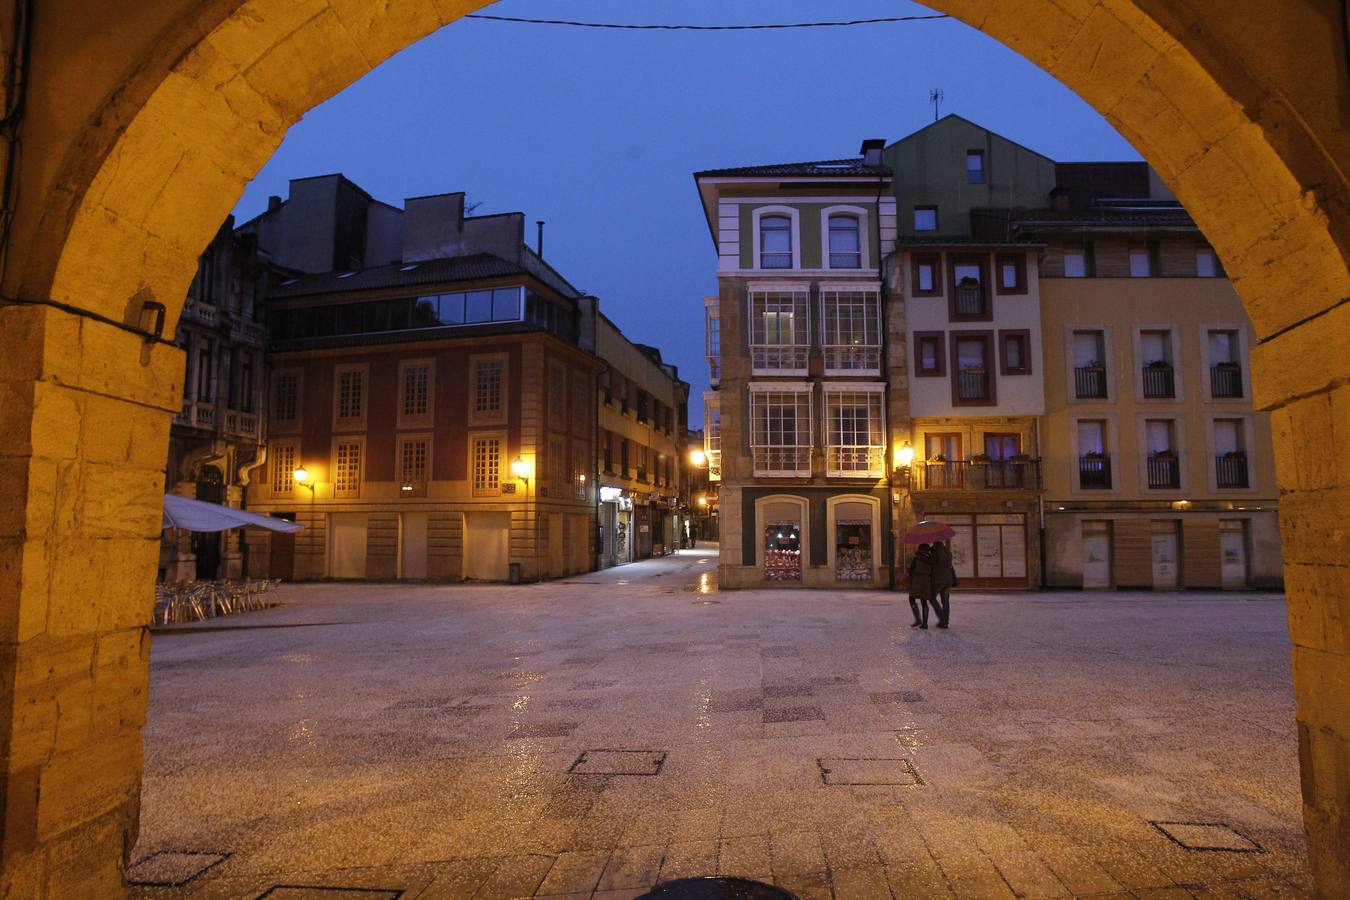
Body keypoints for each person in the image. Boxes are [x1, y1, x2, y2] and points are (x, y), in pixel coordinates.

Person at [905, 543, 937, 629]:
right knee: (924, 601)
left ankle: (918, 619)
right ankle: (925, 623)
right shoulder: (931, 558)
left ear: (920, 549)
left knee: (911, 599)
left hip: (917, 580)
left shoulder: (916, 558)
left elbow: (911, 570)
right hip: (927, 581)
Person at [933, 540, 956, 628]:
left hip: (939, 580)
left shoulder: (934, 552)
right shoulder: (948, 551)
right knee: (945, 601)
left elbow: (933, 565)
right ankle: (945, 622)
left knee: (932, 598)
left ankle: (942, 619)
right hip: (948, 580)